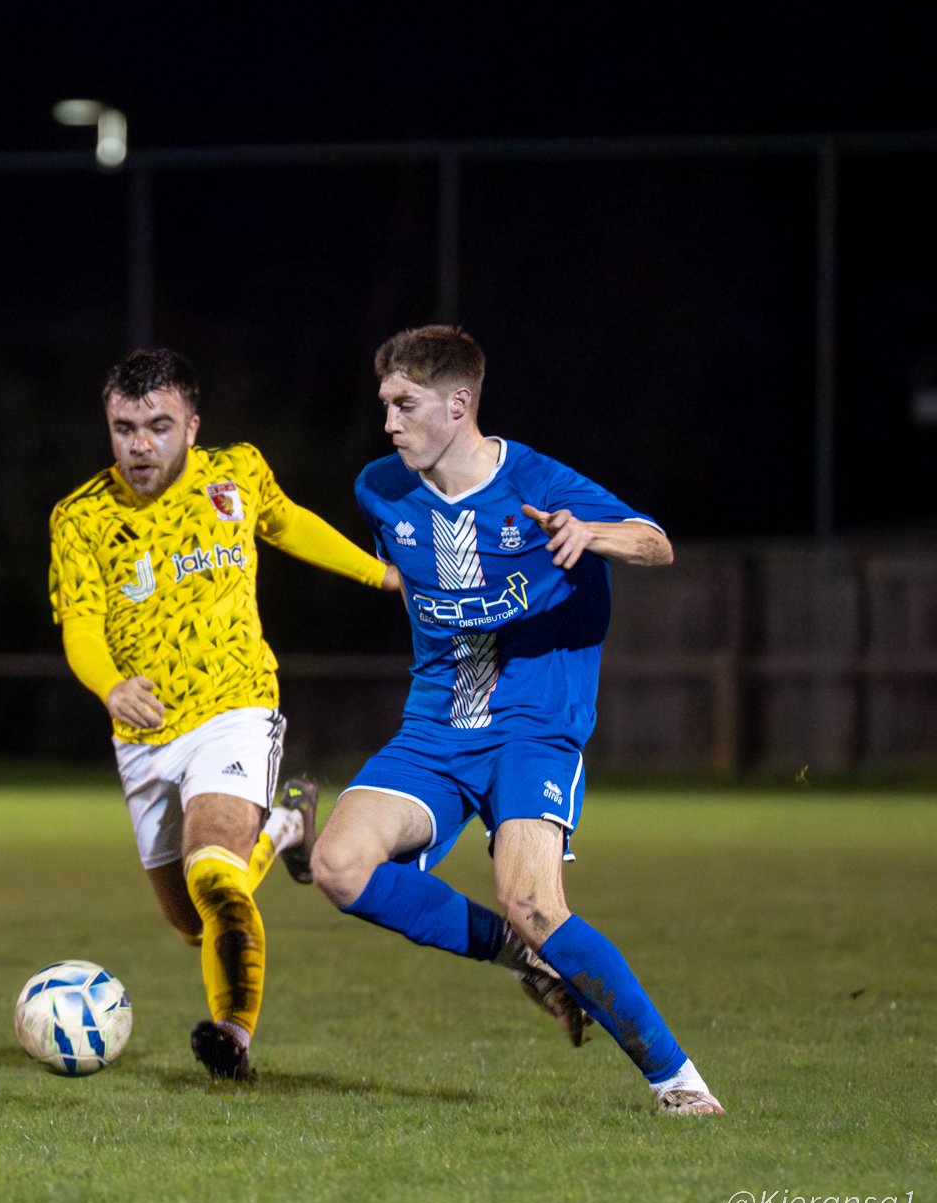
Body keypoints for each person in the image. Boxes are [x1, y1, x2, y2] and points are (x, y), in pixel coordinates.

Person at [309, 325, 724, 1115]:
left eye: (405, 404)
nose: (388, 422)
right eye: (385, 405)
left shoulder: (536, 480)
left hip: (534, 725)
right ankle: (524, 960)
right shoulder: (380, 488)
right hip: (437, 724)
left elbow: (656, 542)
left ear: (459, 403)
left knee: (534, 902)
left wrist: (588, 534)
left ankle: (679, 1082)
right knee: (339, 865)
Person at [49, 348, 401, 1081]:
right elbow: (80, 623)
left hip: (234, 706)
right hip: (144, 737)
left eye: (158, 425)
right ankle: (288, 824)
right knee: (191, 922)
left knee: (216, 880)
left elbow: (288, 521)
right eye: (124, 428)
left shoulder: (235, 472)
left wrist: (378, 571)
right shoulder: (81, 517)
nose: (140, 444)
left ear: (193, 425)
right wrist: (112, 685)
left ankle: (231, 1038)